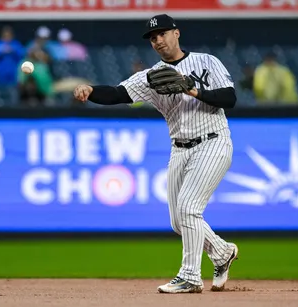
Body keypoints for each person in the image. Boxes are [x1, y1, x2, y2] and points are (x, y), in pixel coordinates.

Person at [73, 14, 238, 294]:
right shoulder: (151, 76)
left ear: (176, 33)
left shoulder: (207, 62)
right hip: (180, 149)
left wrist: (192, 89)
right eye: (152, 38)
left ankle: (190, 276)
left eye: (162, 34)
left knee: (188, 209)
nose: (158, 40)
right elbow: (117, 93)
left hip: (213, 141)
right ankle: (221, 252)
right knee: (179, 221)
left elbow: (229, 99)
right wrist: (91, 90)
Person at [0, 26, 25, 102]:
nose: (7, 37)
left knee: (14, 94)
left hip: (14, 73)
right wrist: (2, 51)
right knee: (3, 94)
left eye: (8, 35)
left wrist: (12, 50)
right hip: (1, 74)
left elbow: (22, 54)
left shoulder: (16, 44)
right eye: (5, 35)